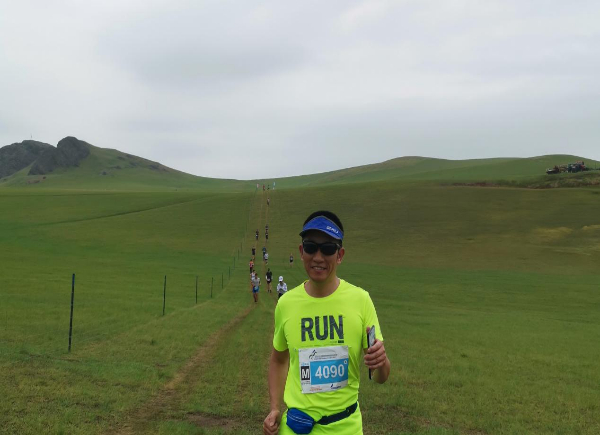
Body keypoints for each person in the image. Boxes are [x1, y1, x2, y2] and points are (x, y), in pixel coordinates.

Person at [263, 211, 390, 435]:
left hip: (346, 427)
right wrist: (274, 408)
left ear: (340, 255)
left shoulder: (361, 300)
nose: (318, 257)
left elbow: (380, 377)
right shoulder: (286, 304)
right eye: (311, 247)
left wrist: (381, 362)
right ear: (301, 252)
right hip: (296, 427)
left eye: (328, 249)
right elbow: (279, 359)